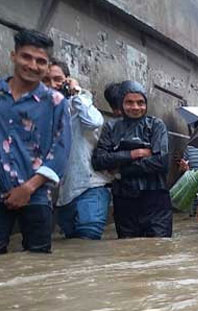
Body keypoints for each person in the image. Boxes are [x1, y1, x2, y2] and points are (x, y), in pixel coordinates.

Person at [0, 30, 71, 254]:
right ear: (13, 56)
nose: (33, 65)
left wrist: (27, 189)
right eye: (26, 57)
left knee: (39, 263)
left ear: (48, 65)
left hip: (37, 195)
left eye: (41, 61)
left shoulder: (56, 102)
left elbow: (60, 152)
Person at [92, 80, 172, 238]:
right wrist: (134, 154)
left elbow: (161, 162)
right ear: (121, 103)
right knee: (127, 249)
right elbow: (99, 161)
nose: (135, 107)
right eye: (129, 102)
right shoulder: (111, 128)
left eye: (140, 102)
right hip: (125, 201)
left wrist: (120, 170)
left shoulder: (156, 125)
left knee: (159, 248)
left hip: (155, 201)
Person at [45, 59, 112, 240]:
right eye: (45, 80)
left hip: (90, 190)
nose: (52, 85)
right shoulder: (40, 112)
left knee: (87, 245)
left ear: (67, 80)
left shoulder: (81, 108)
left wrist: (76, 92)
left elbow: (94, 122)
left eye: (58, 79)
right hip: (63, 197)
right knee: (72, 249)